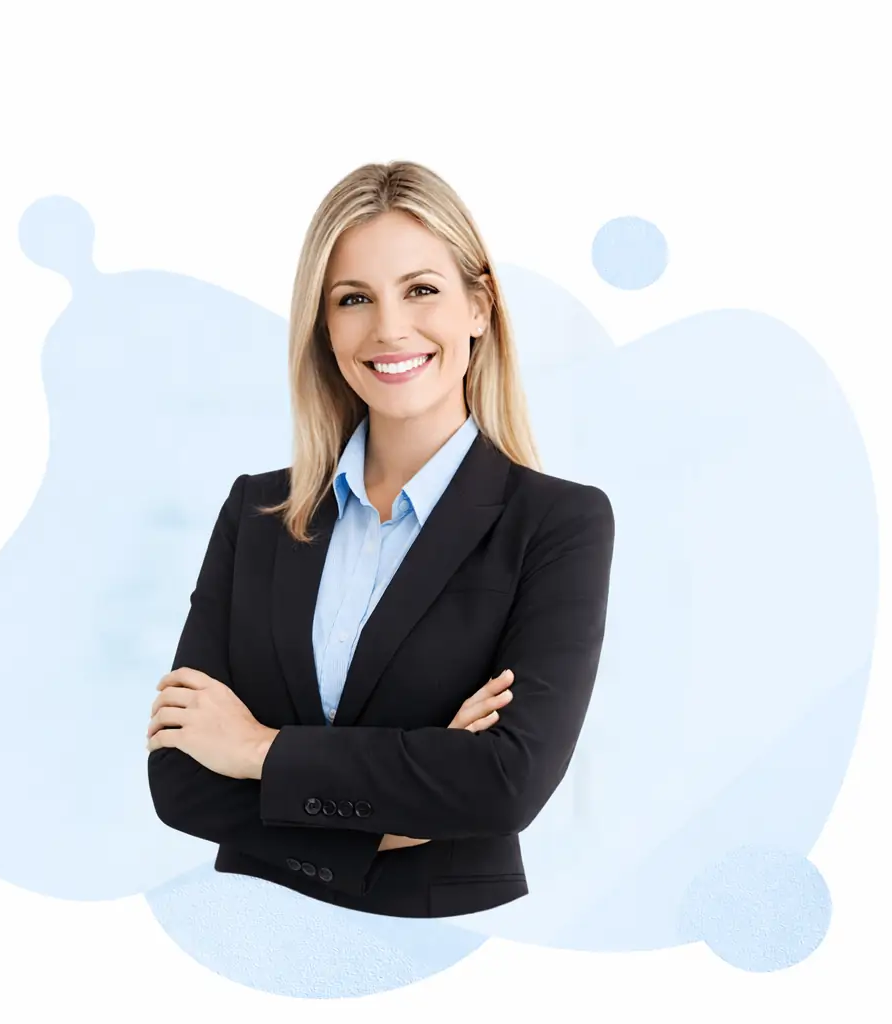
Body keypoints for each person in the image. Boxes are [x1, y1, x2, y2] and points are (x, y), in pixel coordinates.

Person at [146, 160, 615, 919]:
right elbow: (179, 778)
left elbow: (504, 784)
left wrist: (257, 749)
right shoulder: (257, 511)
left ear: (479, 307)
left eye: (421, 289)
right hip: (251, 928)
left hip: (448, 941)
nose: (390, 328)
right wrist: (408, 812)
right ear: (325, 327)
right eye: (354, 298)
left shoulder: (558, 524)